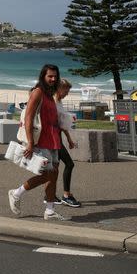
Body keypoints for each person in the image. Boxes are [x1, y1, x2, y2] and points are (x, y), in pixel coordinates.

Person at [8, 64, 69, 221]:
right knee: (47, 174)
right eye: (50, 76)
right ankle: (16, 193)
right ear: (43, 76)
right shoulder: (38, 92)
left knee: (53, 175)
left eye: (55, 76)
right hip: (41, 141)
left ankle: (49, 210)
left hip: (54, 141)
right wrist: (30, 142)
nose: (53, 79)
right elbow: (28, 117)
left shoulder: (50, 94)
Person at [55, 79, 81, 208]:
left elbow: (62, 123)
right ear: (59, 88)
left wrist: (69, 138)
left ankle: (50, 195)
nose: (67, 93)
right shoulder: (54, 102)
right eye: (66, 90)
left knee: (54, 168)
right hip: (53, 139)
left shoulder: (59, 102)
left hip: (57, 137)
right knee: (69, 164)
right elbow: (56, 123)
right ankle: (66, 195)